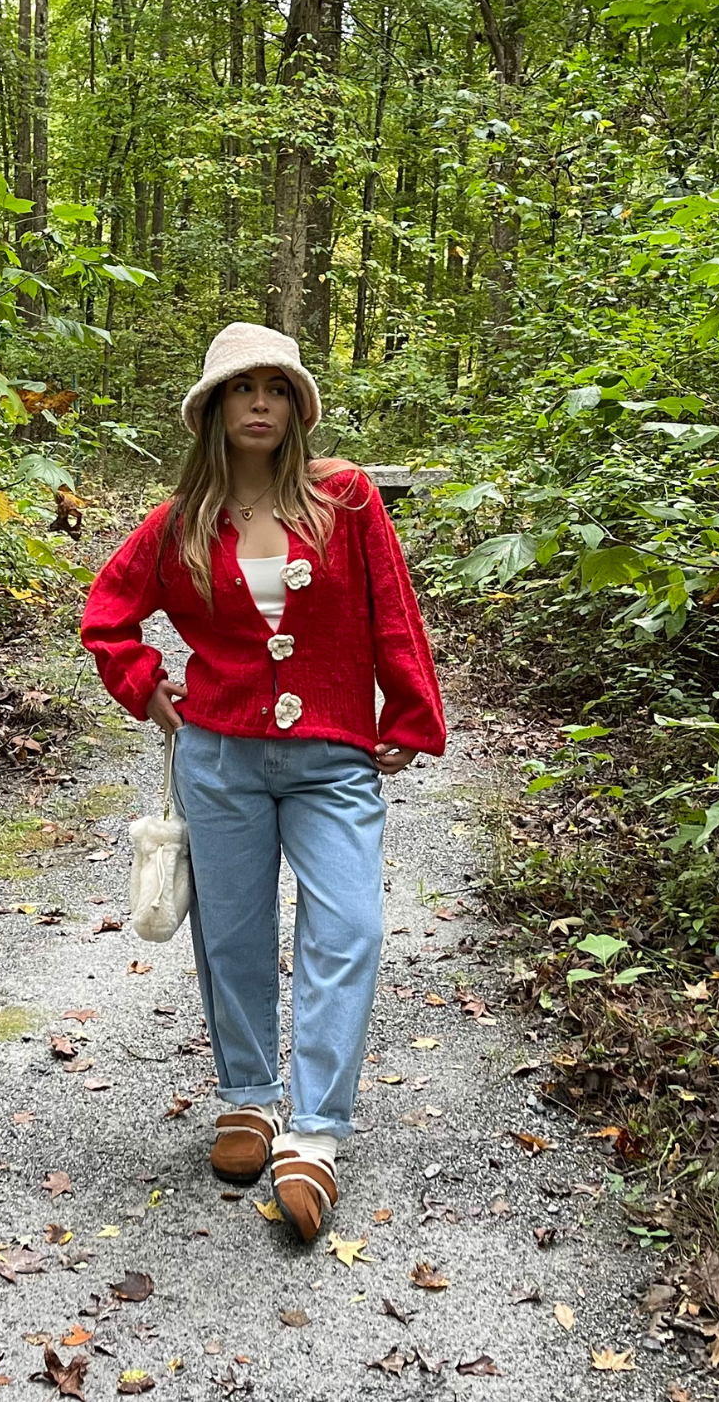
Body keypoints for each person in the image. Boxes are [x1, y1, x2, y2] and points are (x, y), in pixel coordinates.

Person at [80, 322, 446, 1242]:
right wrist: (143, 685)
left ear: (296, 408)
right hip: (220, 756)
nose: (259, 405)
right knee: (232, 933)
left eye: (276, 390)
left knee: (350, 924)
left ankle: (316, 1134)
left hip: (332, 757)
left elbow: (391, 610)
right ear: (211, 411)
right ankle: (248, 1097)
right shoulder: (179, 526)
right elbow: (107, 617)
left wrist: (408, 712)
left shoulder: (347, 501)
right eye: (242, 390)